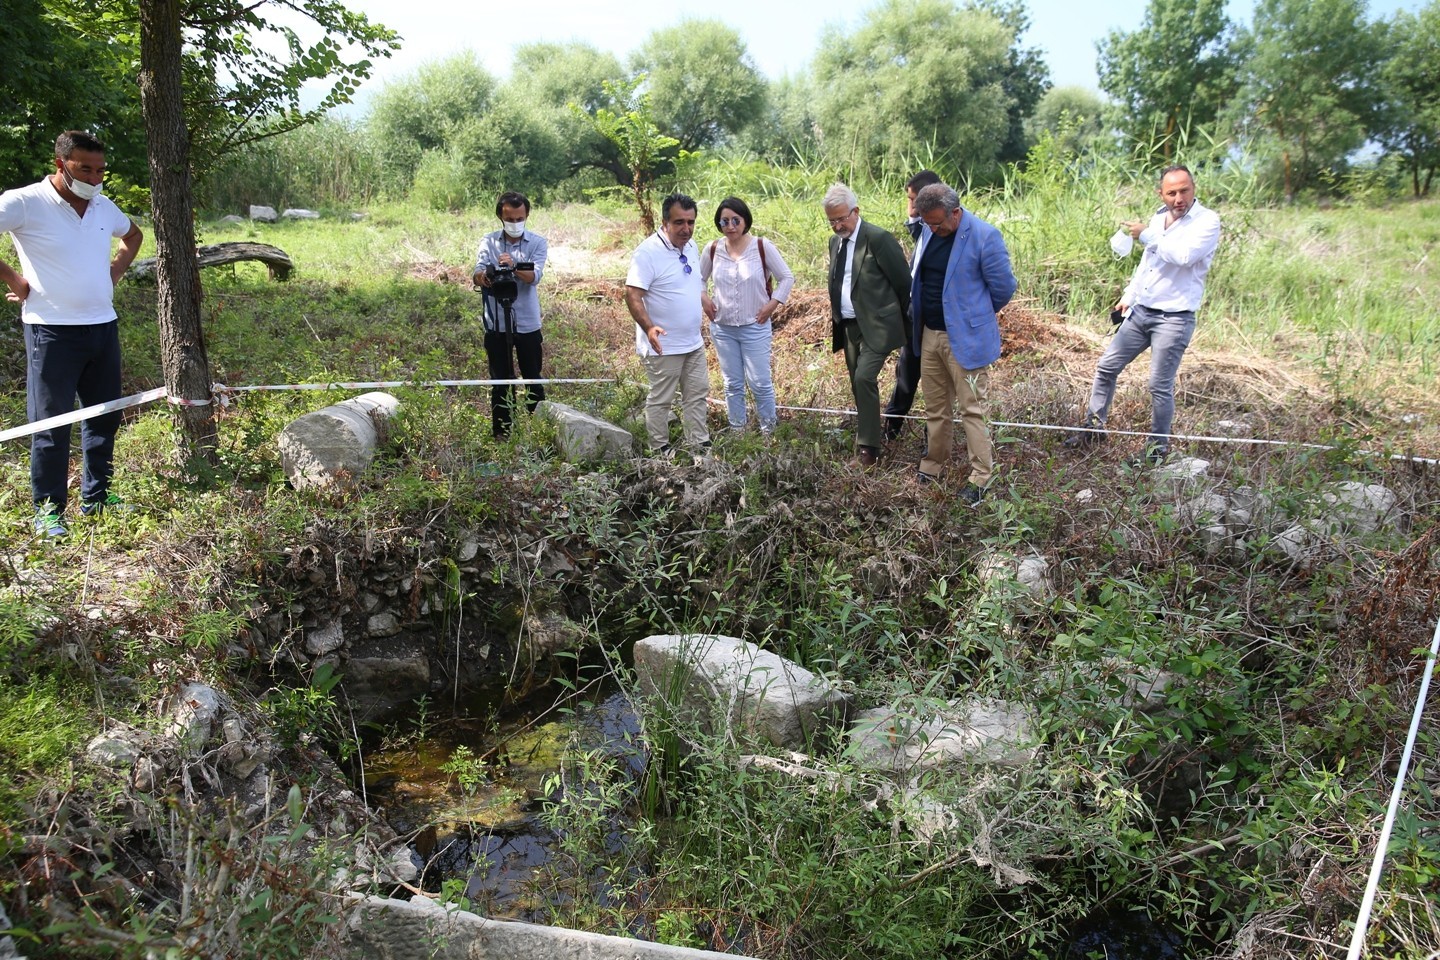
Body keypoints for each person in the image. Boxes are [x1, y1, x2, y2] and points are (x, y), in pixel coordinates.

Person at [0, 130, 143, 538]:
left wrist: (113, 272)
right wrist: (15, 280)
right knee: (51, 424)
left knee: (103, 417)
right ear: (60, 164)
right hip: (51, 331)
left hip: (102, 327)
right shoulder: (25, 202)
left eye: (100, 170)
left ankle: (97, 496)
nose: (95, 178)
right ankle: (48, 511)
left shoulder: (102, 206)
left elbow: (133, 235)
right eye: (85, 169)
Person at [1063, 165, 1221, 464]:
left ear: (1194, 188)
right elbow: (1148, 265)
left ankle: (1157, 451)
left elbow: (1184, 257)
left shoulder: (1207, 221)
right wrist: (1129, 297)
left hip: (1174, 318)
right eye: (1171, 192)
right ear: (1160, 193)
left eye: (1184, 190)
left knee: (1159, 386)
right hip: (1142, 311)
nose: (1179, 198)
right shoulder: (1158, 218)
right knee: (1107, 367)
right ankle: (1093, 430)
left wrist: (1147, 235)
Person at [910, 183, 1017, 506]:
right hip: (930, 334)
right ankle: (934, 464)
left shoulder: (985, 236)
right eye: (928, 223)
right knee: (935, 406)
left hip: (966, 338)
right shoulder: (929, 230)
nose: (933, 229)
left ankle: (980, 476)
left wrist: (972, 316)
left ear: (955, 212)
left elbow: (1003, 289)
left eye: (939, 223)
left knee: (973, 409)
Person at [823, 183, 911, 467]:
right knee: (856, 383)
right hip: (848, 325)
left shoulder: (878, 238)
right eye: (832, 220)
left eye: (842, 218)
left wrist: (900, 323)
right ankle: (869, 434)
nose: (838, 225)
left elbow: (903, 284)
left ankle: (869, 451)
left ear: (856, 211)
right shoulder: (835, 242)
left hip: (878, 326)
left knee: (864, 378)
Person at [699, 196, 795, 435]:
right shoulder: (713, 249)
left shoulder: (761, 246)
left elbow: (787, 277)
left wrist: (772, 305)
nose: (730, 226)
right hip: (723, 328)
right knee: (732, 384)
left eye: (735, 220)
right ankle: (737, 431)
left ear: (745, 220)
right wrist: (704, 299)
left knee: (760, 383)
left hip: (755, 325)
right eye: (724, 221)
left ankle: (769, 432)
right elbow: (697, 279)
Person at [625, 194, 710, 454]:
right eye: (679, 223)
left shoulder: (692, 246)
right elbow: (632, 294)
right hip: (664, 345)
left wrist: (704, 301)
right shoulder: (647, 253)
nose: (686, 229)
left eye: (691, 222)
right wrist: (649, 327)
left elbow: (692, 284)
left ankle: (699, 445)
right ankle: (660, 450)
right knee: (661, 400)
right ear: (664, 223)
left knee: (696, 394)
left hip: (693, 342)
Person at [472, 191, 549, 439]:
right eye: (510, 218)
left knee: (533, 378)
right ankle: (502, 434)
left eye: (520, 218)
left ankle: (540, 431)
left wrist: (513, 265)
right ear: (500, 217)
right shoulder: (489, 241)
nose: (515, 223)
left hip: (527, 323)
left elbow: (534, 276)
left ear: (526, 216)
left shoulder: (537, 243)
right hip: (496, 323)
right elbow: (477, 272)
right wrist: (486, 276)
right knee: (500, 380)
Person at [883, 169, 943, 443]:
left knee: (937, 388)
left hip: (938, 324)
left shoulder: (947, 229)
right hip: (914, 319)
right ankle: (889, 433)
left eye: (916, 200)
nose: (913, 207)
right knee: (905, 378)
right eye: (910, 200)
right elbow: (913, 224)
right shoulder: (923, 227)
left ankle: (932, 446)